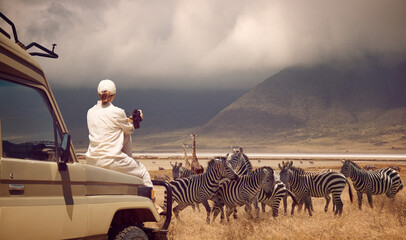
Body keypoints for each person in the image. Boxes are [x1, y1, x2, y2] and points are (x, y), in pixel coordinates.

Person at [85, 79, 162, 212]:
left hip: (92, 161)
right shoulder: (117, 112)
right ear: (114, 95)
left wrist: (128, 120)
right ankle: (154, 204)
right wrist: (136, 119)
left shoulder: (90, 112)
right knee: (142, 171)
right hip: (112, 160)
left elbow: (111, 123)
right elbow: (129, 129)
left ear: (98, 94)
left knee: (123, 133)